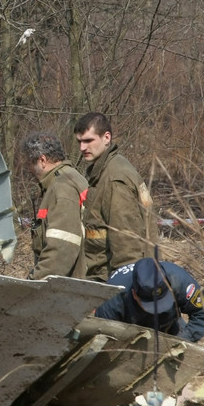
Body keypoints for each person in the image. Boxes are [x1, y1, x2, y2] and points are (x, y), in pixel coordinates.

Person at [73, 112, 154, 281]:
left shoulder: (114, 178)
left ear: (106, 137)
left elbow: (126, 242)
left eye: (88, 141)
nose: (82, 148)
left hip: (114, 280)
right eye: (79, 142)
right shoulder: (105, 171)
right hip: (107, 277)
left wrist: (124, 287)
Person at [94, 257, 204, 343]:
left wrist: (183, 340)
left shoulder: (180, 281)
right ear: (134, 294)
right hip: (127, 330)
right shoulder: (112, 297)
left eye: (162, 303)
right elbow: (104, 340)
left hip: (169, 324)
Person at [19, 132, 86, 279]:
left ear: (42, 160)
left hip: (72, 287)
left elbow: (61, 250)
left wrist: (33, 282)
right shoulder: (68, 178)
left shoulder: (62, 187)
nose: (29, 170)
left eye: (30, 163)